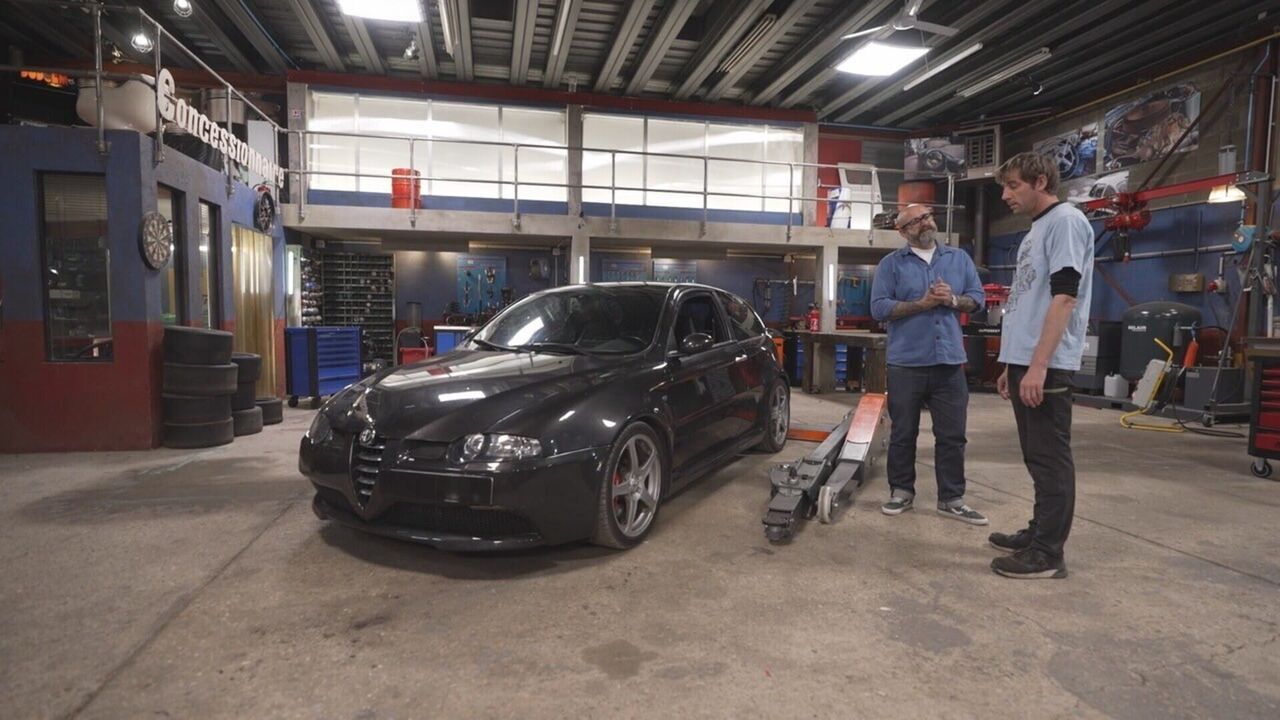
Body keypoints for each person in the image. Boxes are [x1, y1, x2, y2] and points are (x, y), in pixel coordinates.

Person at [989, 151, 1094, 580]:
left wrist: (1038, 366)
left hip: (1045, 363)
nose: (1005, 195)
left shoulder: (1066, 221)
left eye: (1013, 185)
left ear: (1041, 182)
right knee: (1036, 456)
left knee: (1050, 458)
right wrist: (1012, 363)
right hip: (1026, 360)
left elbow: (1065, 296)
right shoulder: (1038, 227)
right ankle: (1039, 533)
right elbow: (1028, 300)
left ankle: (1048, 554)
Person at [870, 203, 986, 525]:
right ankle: (901, 492)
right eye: (915, 221)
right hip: (906, 363)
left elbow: (977, 299)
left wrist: (952, 300)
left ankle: (952, 498)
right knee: (903, 433)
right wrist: (921, 304)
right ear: (902, 232)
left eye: (926, 217)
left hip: (949, 363)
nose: (924, 223)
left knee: (952, 436)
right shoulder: (890, 265)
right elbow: (878, 308)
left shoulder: (959, 259)